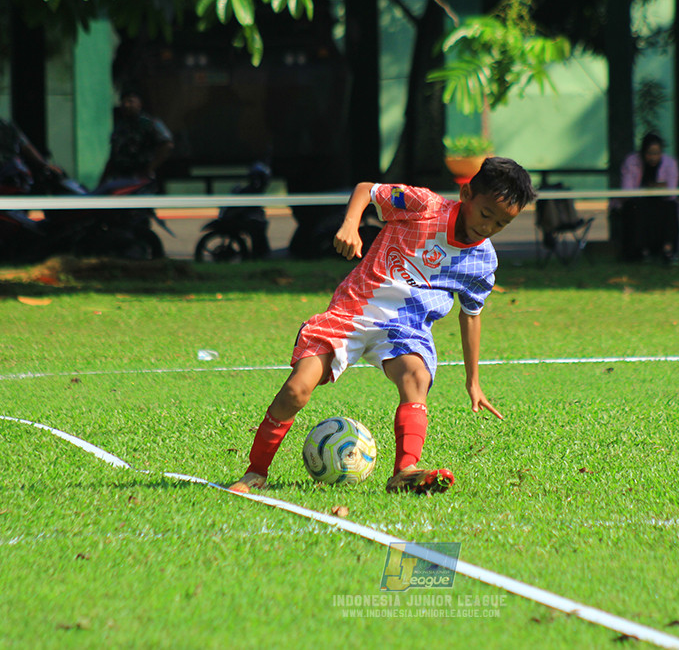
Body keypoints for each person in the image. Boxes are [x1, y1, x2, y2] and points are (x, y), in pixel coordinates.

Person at [228, 157, 537, 495]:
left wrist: (473, 381)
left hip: (406, 327)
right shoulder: (425, 205)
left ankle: (405, 471)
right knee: (296, 390)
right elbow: (367, 191)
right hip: (354, 309)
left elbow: (471, 314)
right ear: (466, 195)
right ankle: (255, 472)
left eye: (501, 224)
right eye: (486, 214)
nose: (488, 227)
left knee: (416, 377)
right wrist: (350, 225)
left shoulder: (483, 261)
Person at [610, 132, 679, 264]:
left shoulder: (670, 163)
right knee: (635, 208)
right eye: (650, 153)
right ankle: (640, 251)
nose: (653, 157)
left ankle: (668, 249)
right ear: (643, 152)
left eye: (657, 153)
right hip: (637, 202)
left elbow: (672, 193)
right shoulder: (631, 162)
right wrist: (650, 189)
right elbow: (627, 191)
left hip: (661, 202)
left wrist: (656, 189)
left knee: (671, 208)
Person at [97, 88, 174, 189]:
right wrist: (101, 183)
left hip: (141, 179)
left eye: (130, 101)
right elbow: (114, 156)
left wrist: (150, 168)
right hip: (120, 177)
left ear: (139, 104)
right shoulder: (120, 126)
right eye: (123, 101)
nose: (126, 105)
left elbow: (167, 145)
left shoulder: (149, 123)